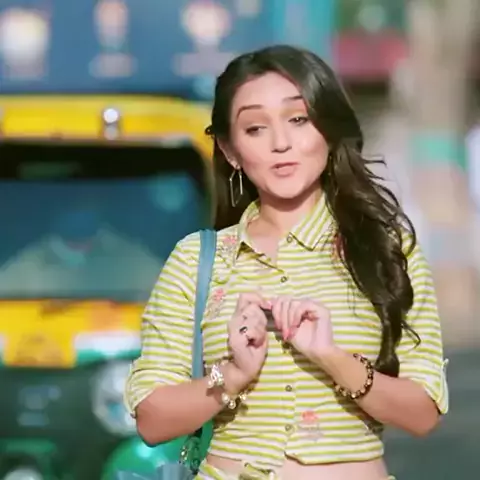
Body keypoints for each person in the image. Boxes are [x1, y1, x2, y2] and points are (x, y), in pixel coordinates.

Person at [125, 45, 448, 480]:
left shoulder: (385, 247)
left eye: (298, 119)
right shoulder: (197, 259)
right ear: (230, 150)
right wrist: (233, 373)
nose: (281, 144)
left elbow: (424, 412)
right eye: (255, 128)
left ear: (328, 129)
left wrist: (332, 357)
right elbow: (151, 420)